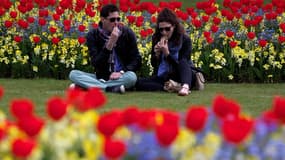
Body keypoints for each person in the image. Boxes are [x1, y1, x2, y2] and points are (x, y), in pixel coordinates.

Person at [69, 4, 142, 93]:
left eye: (118, 19)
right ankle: (109, 88)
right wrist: (110, 44)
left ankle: (89, 86)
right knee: (73, 74)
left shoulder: (127, 33)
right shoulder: (93, 35)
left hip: (122, 76)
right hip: (101, 76)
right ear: (103, 20)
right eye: (112, 20)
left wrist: (121, 72)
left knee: (132, 77)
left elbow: (137, 60)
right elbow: (96, 63)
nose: (116, 22)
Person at [135, 8, 197, 96]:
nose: (164, 32)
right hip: (165, 76)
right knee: (139, 83)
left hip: (183, 75)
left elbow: (182, 65)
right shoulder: (156, 38)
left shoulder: (184, 39)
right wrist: (156, 55)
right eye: (161, 29)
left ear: (174, 26)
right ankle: (172, 87)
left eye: (167, 29)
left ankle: (185, 87)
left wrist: (167, 54)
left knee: (183, 62)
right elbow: (154, 65)